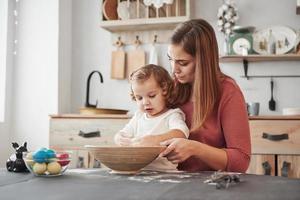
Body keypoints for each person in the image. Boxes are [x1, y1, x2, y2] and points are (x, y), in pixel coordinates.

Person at [116, 19, 251, 173]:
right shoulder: (171, 88)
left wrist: (195, 148)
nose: (174, 70)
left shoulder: (228, 92)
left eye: (183, 63)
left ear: (203, 61)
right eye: (170, 60)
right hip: (166, 180)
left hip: (210, 186)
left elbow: (241, 162)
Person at [114, 64, 189, 171]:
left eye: (152, 96)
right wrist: (119, 138)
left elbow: (182, 133)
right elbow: (123, 133)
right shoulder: (139, 116)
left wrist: (155, 140)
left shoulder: (172, 115)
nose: (145, 102)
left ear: (165, 90)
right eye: (139, 98)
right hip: (139, 172)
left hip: (166, 173)